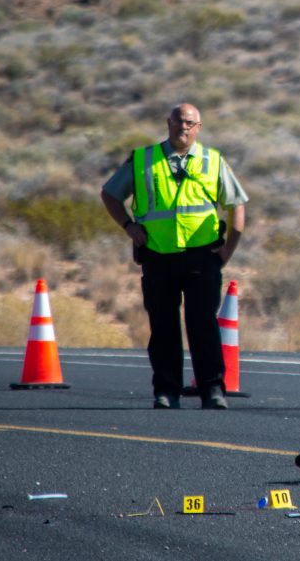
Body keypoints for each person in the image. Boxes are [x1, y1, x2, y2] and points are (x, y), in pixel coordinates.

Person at [101, 103, 248, 410]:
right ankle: (167, 391)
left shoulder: (213, 160)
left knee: (203, 325)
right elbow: (110, 193)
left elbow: (237, 204)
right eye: (179, 121)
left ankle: (212, 390)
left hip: (202, 256)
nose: (184, 127)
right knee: (164, 326)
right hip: (158, 256)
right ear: (168, 123)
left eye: (191, 123)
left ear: (199, 127)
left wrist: (227, 252)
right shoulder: (143, 159)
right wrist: (129, 226)